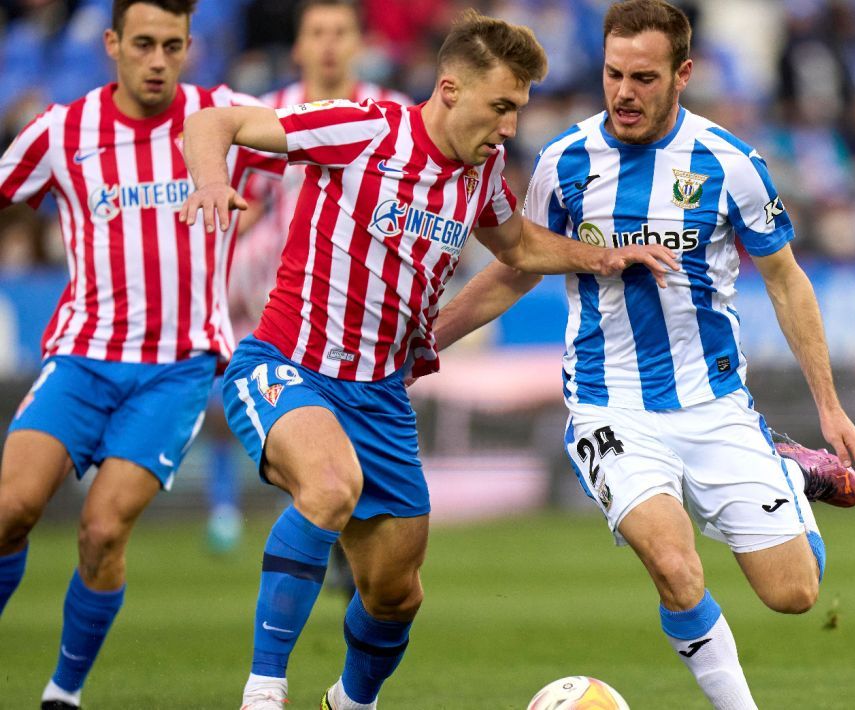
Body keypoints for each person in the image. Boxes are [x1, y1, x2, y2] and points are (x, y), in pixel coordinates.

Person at [179, 9, 678, 709]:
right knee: (327, 487)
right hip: (289, 363)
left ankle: (350, 703)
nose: (509, 126)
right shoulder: (364, 129)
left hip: (381, 397)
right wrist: (207, 181)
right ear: (449, 89)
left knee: (396, 595)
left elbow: (520, 248)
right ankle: (263, 693)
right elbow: (212, 124)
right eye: (500, 106)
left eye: (518, 109)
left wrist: (603, 256)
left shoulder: (482, 171)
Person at [432, 2, 855, 708]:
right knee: (675, 565)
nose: (624, 92)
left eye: (643, 76)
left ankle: (786, 472)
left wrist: (829, 406)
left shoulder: (731, 165)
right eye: (613, 74)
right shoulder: (564, 162)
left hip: (714, 404)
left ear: (682, 75)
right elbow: (516, 266)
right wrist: (427, 341)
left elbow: (786, 279)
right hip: (611, 407)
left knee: (794, 593)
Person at [0, 2, 284, 708]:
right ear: (112, 44)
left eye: (173, 46)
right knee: (9, 508)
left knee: (101, 530)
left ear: (192, 47)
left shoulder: (224, 115)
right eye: (144, 45)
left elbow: (314, 142)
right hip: (82, 358)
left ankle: (62, 693)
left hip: (176, 369)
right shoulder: (64, 131)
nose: (158, 60)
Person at [204, 0, 413, 572]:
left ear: (357, 42)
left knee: (351, 446)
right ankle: (229, 506)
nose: (327, 43)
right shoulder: (269, 112)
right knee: (256, 413)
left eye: (339, 32)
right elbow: (244, 196)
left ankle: (338, 532)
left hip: (360, 307)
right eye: (316, 32)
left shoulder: (393, 114)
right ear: (297, 46)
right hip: (275, 295)